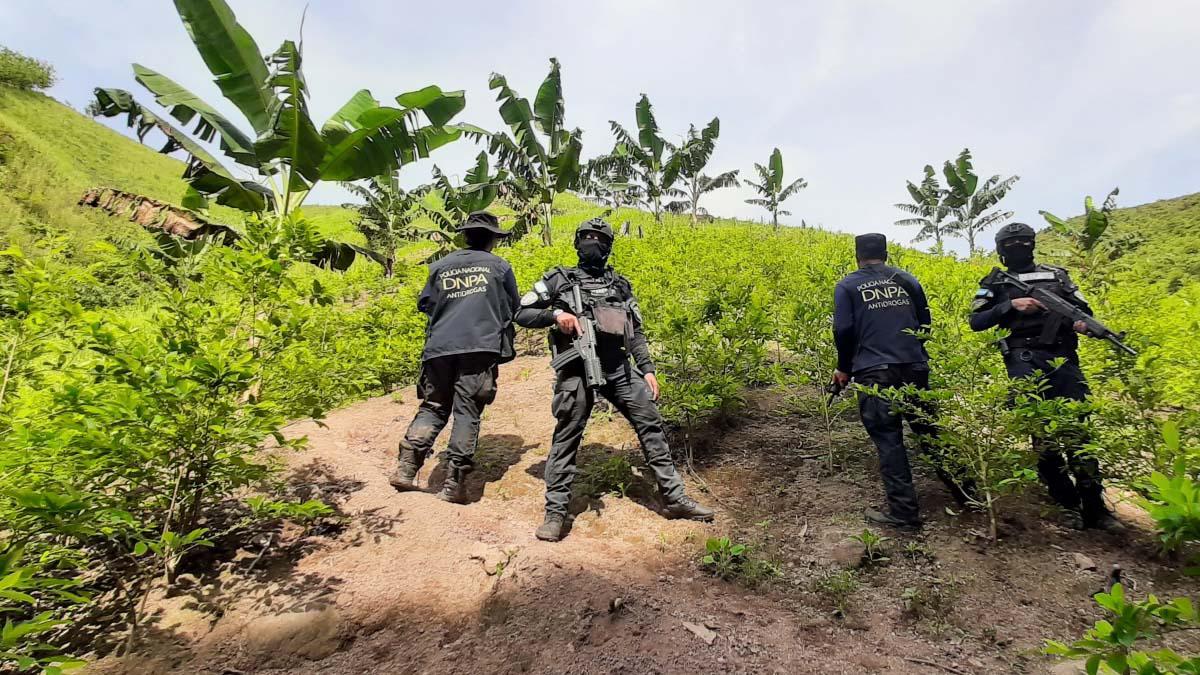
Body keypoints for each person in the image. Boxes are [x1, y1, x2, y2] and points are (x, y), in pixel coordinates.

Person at [514, 217, 714, 541]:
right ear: (577, 242)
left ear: (608, 247)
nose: (593, 242)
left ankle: (674, 498)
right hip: (576, 369)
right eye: (587, 237)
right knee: (566, 436)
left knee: (651, 424)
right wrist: (556, 315)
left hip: (617, 367)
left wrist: (647, 368)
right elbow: (520, 312)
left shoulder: (620, 285)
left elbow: (634, 331)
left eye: (599, 238)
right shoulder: (558, 279)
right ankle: (555, 513)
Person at [969, 222, 1122, 531]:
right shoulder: (995, 281)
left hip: (1064, 360)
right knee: (1043, 435)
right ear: (1001, 250)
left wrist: (1082, 325)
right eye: (1011, 244)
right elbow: (976, 320)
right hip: (1024, 360)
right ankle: (1065, 503)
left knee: (1079, 432)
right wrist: (1010, 305)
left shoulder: (1057, 276)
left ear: (1032, 245)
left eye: (1022, 243)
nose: (1017, 248)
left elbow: (1082, 312)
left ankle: (1096, 507)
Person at [832, 233, 973, 530]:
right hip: (914, 368)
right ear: (885, 253)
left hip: (874, 372)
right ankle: (969, 495)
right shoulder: (907, 279)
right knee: (930, 431)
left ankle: (904, 512)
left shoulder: (848, 285)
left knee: (889, 440)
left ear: (857, 255)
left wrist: (844, 367)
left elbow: (843, 328)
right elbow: (925, 322)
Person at [388, 212, 519, 503]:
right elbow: (514, 306)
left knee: (434, 406)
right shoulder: (498, 266)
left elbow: (426, 304)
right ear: (492, 239)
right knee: (466, 412)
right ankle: (453, 484)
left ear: (466, 236)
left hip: (439, 348)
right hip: (479, 347)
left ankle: (406, 469)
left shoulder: (440, 266)